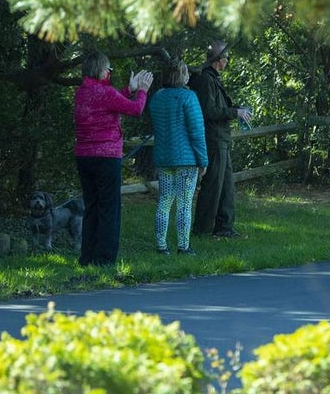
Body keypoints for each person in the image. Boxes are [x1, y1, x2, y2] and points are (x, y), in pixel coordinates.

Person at [73, 51, 153, 266]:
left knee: (91, 207)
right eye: (109, 69)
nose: (109, 72)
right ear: (101, 71)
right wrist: (142, 91)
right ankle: (104, 259)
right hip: (106, 157)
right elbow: (135, 109)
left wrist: (129, 90)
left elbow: (110, 102)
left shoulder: (81, 92)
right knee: (109, 208)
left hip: (84, 156)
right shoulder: (106, 93)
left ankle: (87, 257)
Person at [191, 40, 252, 238]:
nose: (227, 61)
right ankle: (203, 229)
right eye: (226, 57)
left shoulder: (213, 78)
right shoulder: (205, 80)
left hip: (222, 138)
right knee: (212, 185)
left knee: (226, 186)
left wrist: (236, 110)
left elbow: (218, 108)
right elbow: (208, 111)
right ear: (218, 59)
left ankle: (224, 227)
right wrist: (235, 112)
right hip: (213, 138)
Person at [147, 59, 208, 255]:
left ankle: (161, 246)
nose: (188, 76)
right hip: (186, 160)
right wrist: (203, 160)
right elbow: (197, 132)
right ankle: (183, 246)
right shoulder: (188, 97)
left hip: (163, 158)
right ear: (182, 76)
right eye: (186, 73)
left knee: (164, 201)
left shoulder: (156, 97)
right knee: (184, 204)